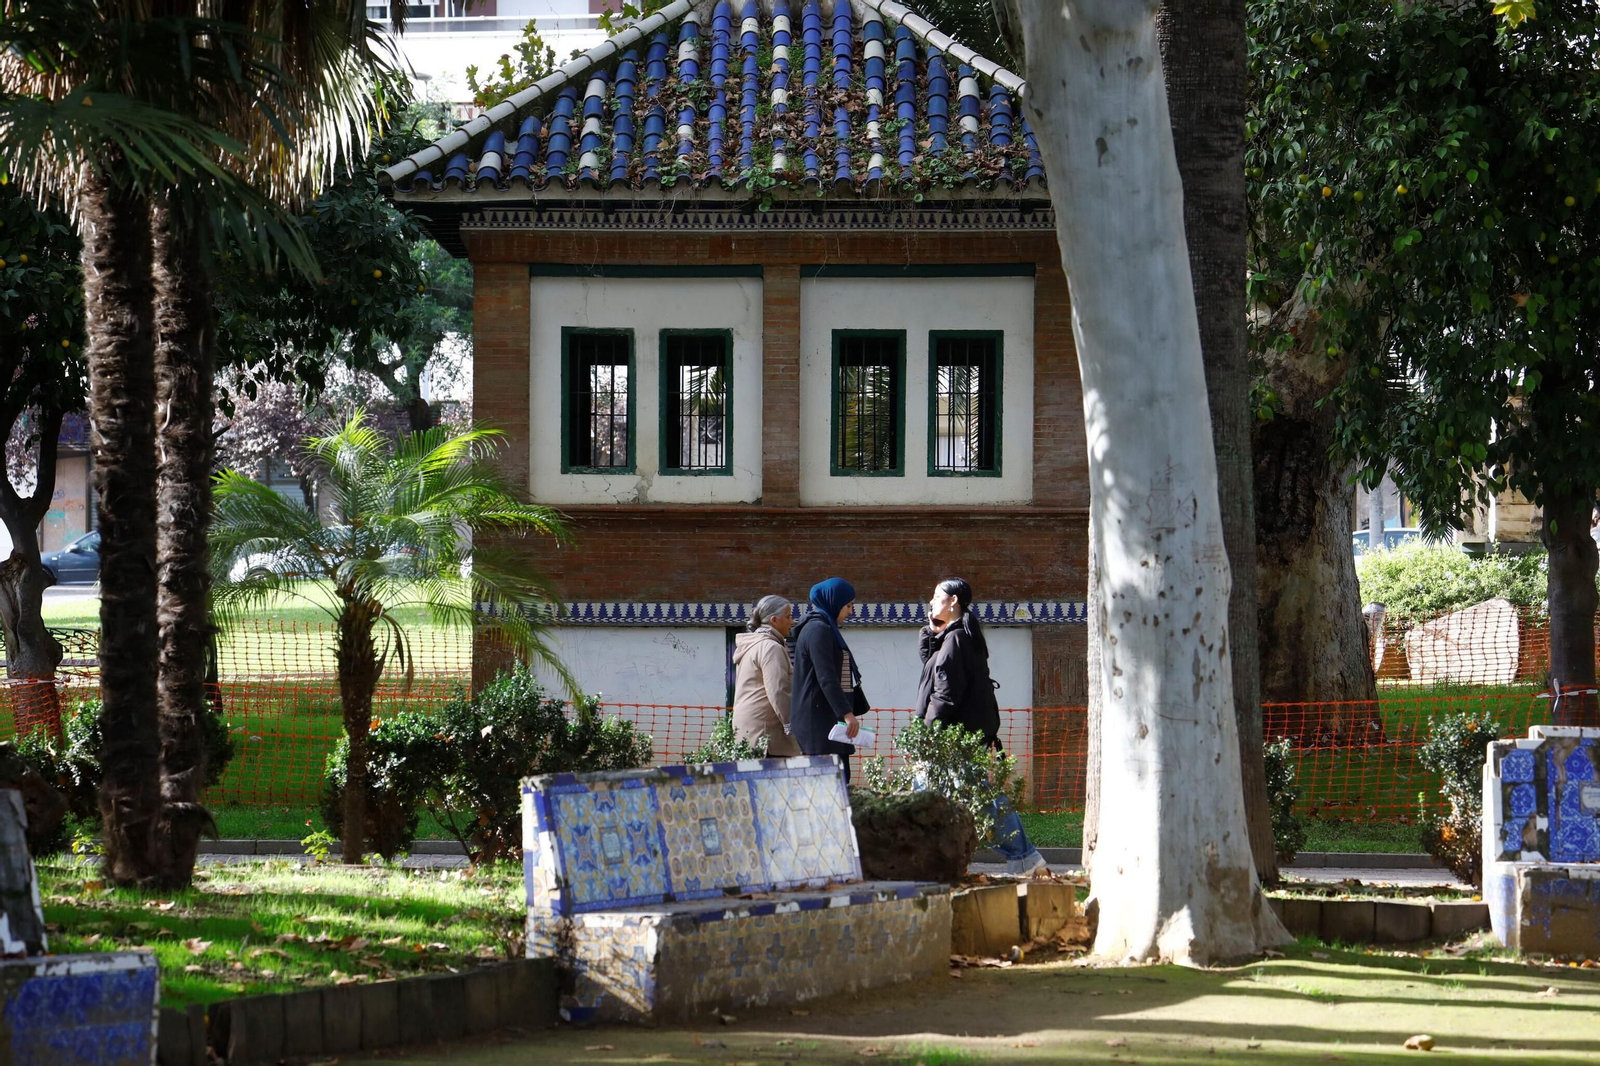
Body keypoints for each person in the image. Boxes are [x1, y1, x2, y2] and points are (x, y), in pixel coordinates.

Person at [917, 577, 1047, 875]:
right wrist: (930, 629)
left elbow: (945, 694)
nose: (932, 601)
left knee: (976, 797)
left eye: (937, 596)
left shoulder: (957, 639)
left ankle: (1025, 857)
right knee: (947, 794)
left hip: (955, 735)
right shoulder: (955, 636)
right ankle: (943, 863)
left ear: (953, 602)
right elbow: (931, 665)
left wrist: (927, 733)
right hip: (959, 733)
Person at [791, 577, 865, 782]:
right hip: (819, 726)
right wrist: (847, 714)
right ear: (834, 602)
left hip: (824, 723)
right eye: (848, 605)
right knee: (831, 786)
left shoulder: (823, 628)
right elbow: (826, 677)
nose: (850, 611)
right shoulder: (818, 630)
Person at [731, 595, 801, 756]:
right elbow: (778, 690)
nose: (792, 622)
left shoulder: (753, 644)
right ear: (774, 620)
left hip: (747, 730)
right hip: (766, 734)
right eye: (788, 617)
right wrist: (791, 725)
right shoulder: (770, 647)